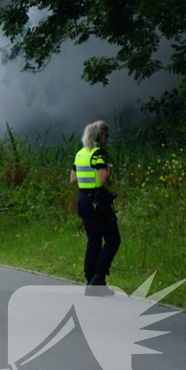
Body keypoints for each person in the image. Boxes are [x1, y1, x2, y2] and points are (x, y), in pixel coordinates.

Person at [71, 120, 120, 296]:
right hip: (97, 201)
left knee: (93, 240)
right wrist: (108, 168)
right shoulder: (99, 154)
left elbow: (73, 179)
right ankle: (98, 278)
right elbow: (102, 179)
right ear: (103, 137)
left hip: (82, 199)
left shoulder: (80, 154)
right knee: (113, 240)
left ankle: (91, 280)